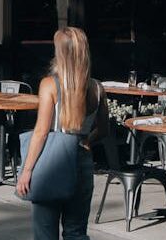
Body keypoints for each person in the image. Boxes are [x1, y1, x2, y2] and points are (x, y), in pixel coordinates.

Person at [16, 27, 108, 240]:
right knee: (76, 232)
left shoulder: (50, 85)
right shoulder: (97, 88)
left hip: (53, 164)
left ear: (61, 53)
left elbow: (41, 132)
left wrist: (27, 170)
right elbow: (103, 130)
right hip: (82, 161)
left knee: (45, 233)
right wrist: (85, 140)